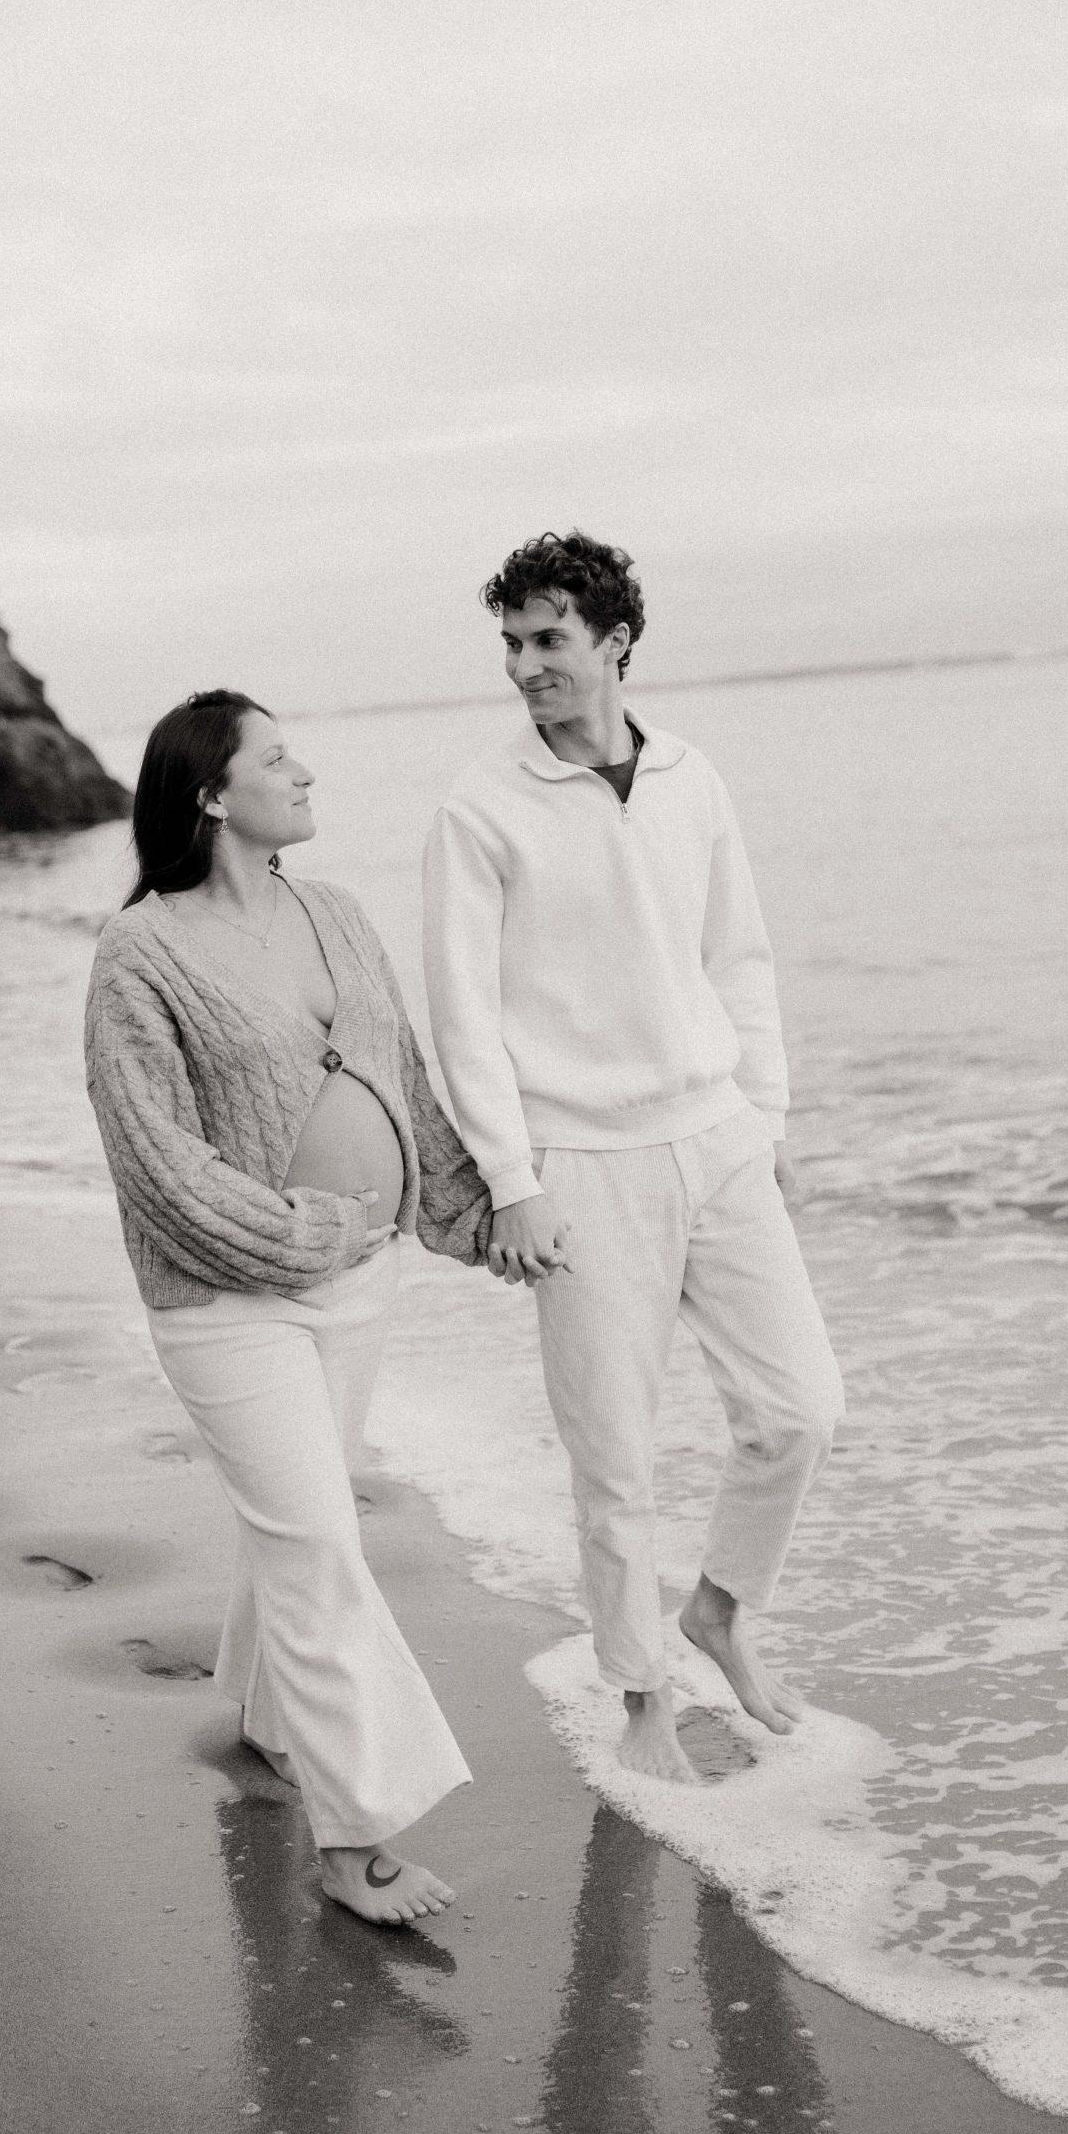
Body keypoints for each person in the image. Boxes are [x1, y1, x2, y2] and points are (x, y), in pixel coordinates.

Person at [422, 533, 845, 1784]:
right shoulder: (479, 808)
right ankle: (643, 1694)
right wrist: (513, 1183)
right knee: (613, 1454)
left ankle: (720, 1609)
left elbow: (740, 959)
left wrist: (765, 1120)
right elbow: (463, 1018)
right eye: (511, 643)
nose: (524, 666)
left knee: (801, 1409)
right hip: (579, 1164)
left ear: (615, 643)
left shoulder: (691, 779)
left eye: (548, 639)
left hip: (717, 1140)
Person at [85, 689, 496, 1923]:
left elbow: (405, 1084)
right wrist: (306, 1232)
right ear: (213, 794)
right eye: (277, 757)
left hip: (362, 1285)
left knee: (299, 1520)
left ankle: (270, 1715)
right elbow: (158, 1165)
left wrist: (480, 1220)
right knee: (318, 1542)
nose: (305, 771)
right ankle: (355, 1833)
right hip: (227, 1301)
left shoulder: (339, 915)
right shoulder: (140, 954)